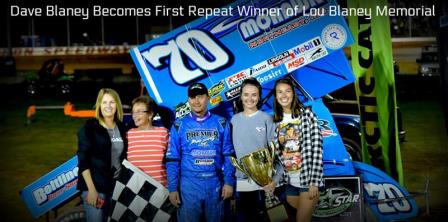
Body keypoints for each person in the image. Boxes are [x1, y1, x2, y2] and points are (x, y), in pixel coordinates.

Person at [166, 82, 236, 222]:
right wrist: (173, 188)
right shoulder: (179, 125)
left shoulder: (222, 123)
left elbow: (228, 155)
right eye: (192, 97)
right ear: (188, 100)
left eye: (200, 96)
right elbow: (173, 159)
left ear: (208, 98)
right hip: (189, 184)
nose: (196, 101)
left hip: (214, 182)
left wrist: (229, 182)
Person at [272, 78, 324, 222]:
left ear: (293, 94)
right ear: (276, 96)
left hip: (307, 180)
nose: (284, 95)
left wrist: (314, 181)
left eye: (287, 91)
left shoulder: (307, 115)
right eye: (279, 92)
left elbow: (317, 149)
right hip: (290, 182)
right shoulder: (275, 121)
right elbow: (277, 154)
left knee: (302, 219)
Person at [230, 78, 282, 222]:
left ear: (259, 96)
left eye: (254, 94)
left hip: (266, 184)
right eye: (246, 94)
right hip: (242, 184)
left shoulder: (267, 119)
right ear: (241, 96)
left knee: (269, 218)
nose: (250, 98)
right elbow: (231, 154)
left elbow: (278, 154)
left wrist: (275, 180)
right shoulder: (233, 121)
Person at [76, 88, 128, 222]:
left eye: (112, 102)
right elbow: (83, 161)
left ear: (117, 105)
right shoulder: (90, 128)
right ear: (99, 105)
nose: (108, 106)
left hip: (115, 187)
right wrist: (91, 190)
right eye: (104, 102)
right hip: (96, 188)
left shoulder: (122, 128)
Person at [127, 95, 169, 187]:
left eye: (139, 112)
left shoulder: (163, 132)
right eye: (133, 112)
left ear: (150, 114)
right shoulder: (129, 134)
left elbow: (172, 161)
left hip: (161, 191)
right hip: (135, 190)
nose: (134, 116)